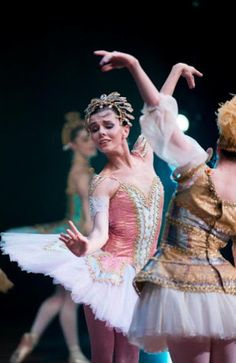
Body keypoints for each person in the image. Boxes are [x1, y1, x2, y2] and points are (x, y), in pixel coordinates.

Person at [0, 51, 170, 363]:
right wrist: (85, 247)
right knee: (106, 358)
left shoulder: (145, 155)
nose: (101, 133)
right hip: (109, 276)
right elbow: (101, 232)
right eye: (94, 129)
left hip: (144, 277)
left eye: (107, 125)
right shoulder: (101, 181)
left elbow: (159, 108)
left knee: (129, 359)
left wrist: (146, 67)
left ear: (125, 128)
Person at [101, 52, 236, 363]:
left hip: (182, 289)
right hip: (225, 290)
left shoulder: (195, 166)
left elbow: (160, 118)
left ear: (216, 145)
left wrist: (135, 65)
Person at [5, 112, 96, 363]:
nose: (92, 142)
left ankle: (31, 339)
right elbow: (87, 219)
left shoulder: (77, 169)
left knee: (61, 297)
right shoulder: (83, 173)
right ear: (73, 144)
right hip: (75, 237)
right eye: (85, 138)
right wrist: (92, 245)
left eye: (91, 138)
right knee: (69, 299)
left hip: (67, 233)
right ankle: (75, 353)